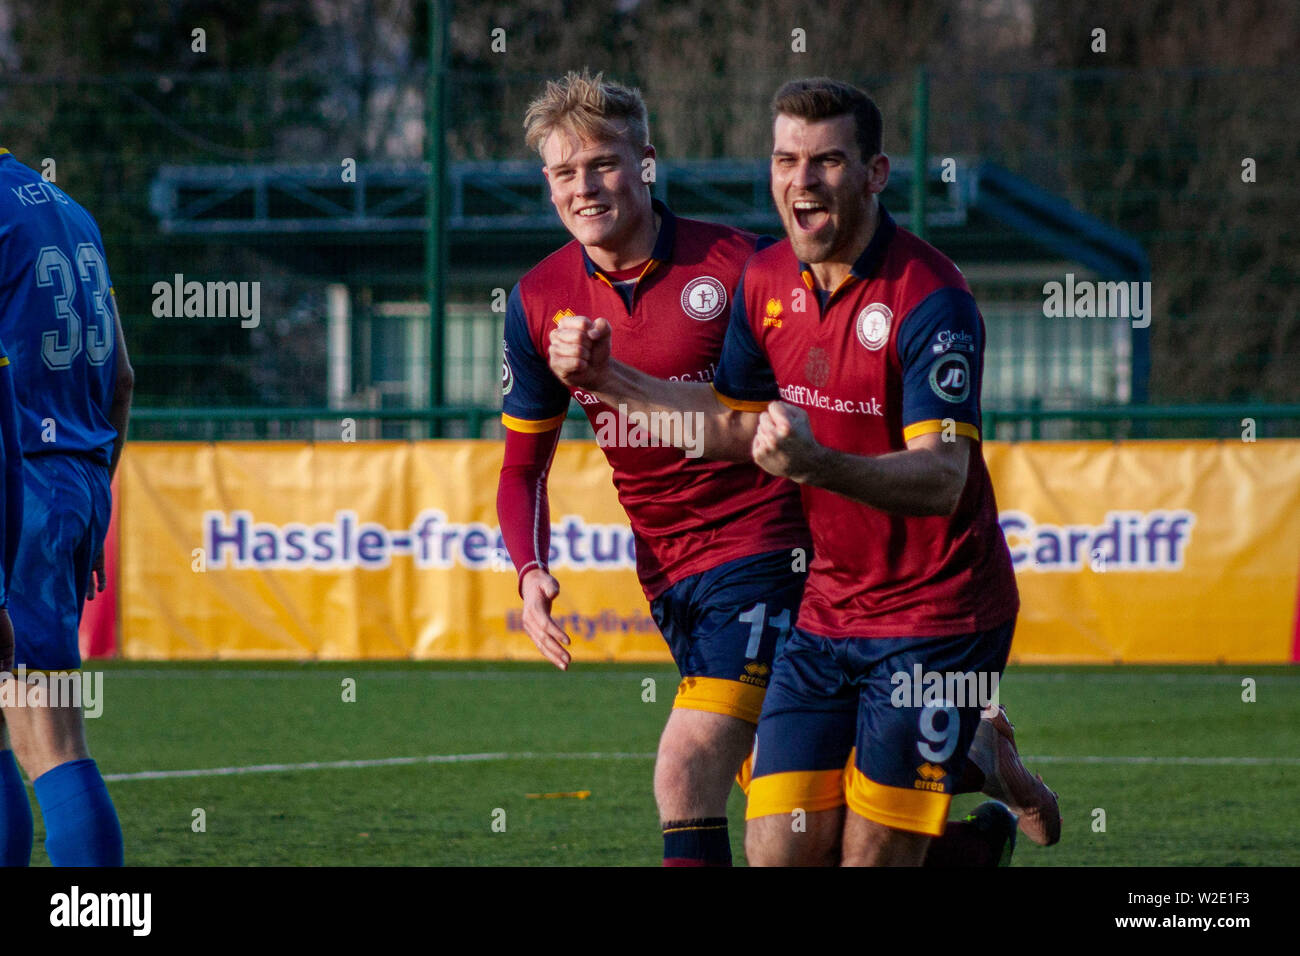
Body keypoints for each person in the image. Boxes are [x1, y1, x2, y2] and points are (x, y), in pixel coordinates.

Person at [547, 77, 1060, 865]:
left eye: (826, 161)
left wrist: (817, 463)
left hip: (939, 617)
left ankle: (972, 780)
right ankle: (977, 804)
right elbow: (731, 427)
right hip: (826, 610)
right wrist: (610, 381)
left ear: (875, 174)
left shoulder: (933, 299)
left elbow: (941, 480)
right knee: (782, 851)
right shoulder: (766, 283)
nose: (802, 181)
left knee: (866, 857)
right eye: (786, 160)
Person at [497, 70, 810, 866]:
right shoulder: (537, 299)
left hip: (767, 549)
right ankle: (976, 794)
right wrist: (530, 570)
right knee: (808, 796)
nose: (584, 188)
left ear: (645, 162)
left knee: (686, 767)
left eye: (601, 164)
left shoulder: (744, 268)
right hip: (669, 575)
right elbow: (524, 470)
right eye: (564, 173)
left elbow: (788, 423)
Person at [0, 146, 134, 866]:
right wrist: (91, 509)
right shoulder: (74, 213)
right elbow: (122, 379)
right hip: (71, 482)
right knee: (37, 729)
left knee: (46, 739)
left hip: (14, 484)